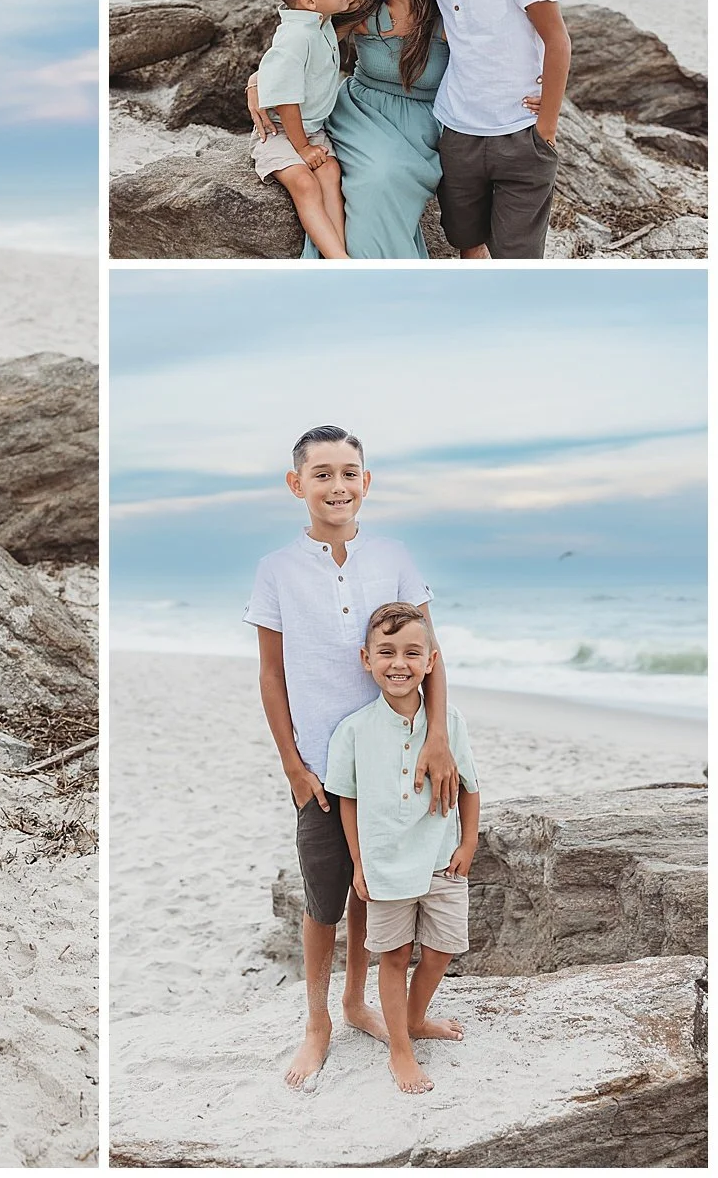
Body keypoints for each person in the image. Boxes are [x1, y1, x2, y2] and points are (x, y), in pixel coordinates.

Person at [243, 425, 459, 1088]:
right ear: (297, 485)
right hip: (319, 768)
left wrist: (437, 736)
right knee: (324, 897)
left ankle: (357, 1000)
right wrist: (292, 765)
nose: (337, 486)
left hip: (391, 759)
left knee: (375, 886)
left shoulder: (391, 555)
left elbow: (430, 652)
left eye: (349, 473)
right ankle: (317, 1023)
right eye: (322, 474)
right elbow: (272, 675)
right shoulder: (277, 570)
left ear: (366, 481)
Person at [324, 601, 481, 1094]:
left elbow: (471, 786)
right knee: (392, 958)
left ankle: (413, 1019)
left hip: (441, 859)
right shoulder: (352, 731)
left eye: (413, 653)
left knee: (441, 949)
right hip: (386, 865)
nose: (399, 663)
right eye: (386, 652)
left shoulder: (449, 721)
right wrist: (359, 862)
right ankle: (400, 1049)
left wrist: (469, 841)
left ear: (431, 662)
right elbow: (346, 800)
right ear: (365, 659)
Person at [377, 0, 570, 259]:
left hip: (520, 134)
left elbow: (557, 38)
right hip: (458, 132)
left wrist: (547, 125)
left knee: (517, 256)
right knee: (466, 242)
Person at [251, 0, 354, 259]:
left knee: (330, 172)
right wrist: (303, 148)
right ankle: (340, 260)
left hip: (311, 127)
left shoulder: (319, 22)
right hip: (281, 131)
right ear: (309, 0)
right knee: (305, 183)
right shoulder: (295, 37)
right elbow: (285, 102)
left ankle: (336, 249)